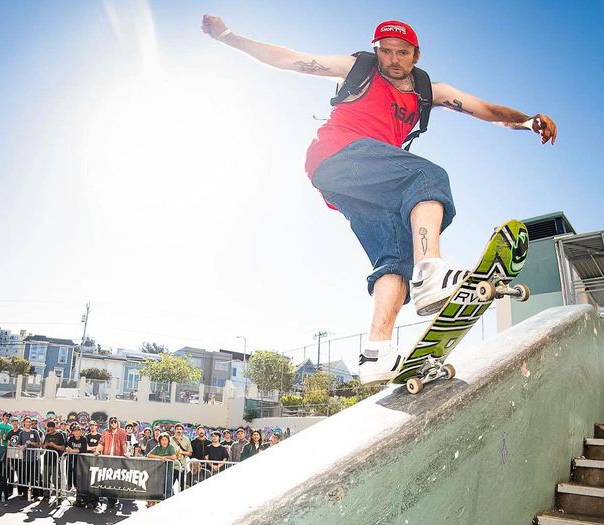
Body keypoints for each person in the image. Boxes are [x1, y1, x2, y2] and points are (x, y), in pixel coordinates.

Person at [202, 16, 557, 384]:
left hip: (356, 185)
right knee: (427, 177)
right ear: (377, 52)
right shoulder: (359, 68)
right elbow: (291, 59)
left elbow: (485, 110)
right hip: (336, 155)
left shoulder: (428, 91)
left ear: (416, 55)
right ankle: (430, 274)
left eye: (402, 53)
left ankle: (377, 352)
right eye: (385, 52)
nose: (393, 60)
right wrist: (229, 37)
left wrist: (527, 121)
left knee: (395, 256)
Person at [93, 417, 128, 511]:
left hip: (117, 460)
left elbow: (123, 444)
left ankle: (113, 499)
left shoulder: (121, 432)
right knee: (108, 480)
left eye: (115, 422)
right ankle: (110, 499)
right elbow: (101, 443)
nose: (113, 423)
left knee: (115, 480)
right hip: (107, 459)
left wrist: (126, 452)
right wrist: (97, 450)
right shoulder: (106, 432)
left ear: (117, 423)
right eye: (111, 422)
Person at [146, 432, 177, 505]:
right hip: (158, 472)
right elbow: (149, 455)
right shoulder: (157, 447)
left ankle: (169, 503)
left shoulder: (170, 447)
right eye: (162, 440)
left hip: (168, 471)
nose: (164, 441)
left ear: (168, 441)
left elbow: (174, 457)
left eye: (166, 440)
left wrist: (165, 457)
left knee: (168, 488)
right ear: (160, 441)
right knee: (157, 488)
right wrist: (160, 457)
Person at [41, 420, 66, 502]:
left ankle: (59, 495)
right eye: (49, 429)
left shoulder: (60, 435)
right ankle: (46, 495)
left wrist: (54, 445)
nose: (50, 430)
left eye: (51, 429)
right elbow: (43, 446)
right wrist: (45, 445)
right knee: (45, 478)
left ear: (55, 428)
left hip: (56, 460)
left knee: (56, 479)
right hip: (46, 459)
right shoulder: (47, 434)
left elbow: (63, 448)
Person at [65, 423, 88, 507]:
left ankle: (80, 497)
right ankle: (72, 490)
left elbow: (83, 449)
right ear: (73, 432)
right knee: (72, 476)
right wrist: (72, 450)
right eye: (75, 431)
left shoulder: (83, 439)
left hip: (81, 462)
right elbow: (67, 448)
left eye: (79, 431)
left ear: (81, 432)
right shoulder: (70, 439)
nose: (77, 432)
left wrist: (73, 451)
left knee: (80, 479)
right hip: (71, 460)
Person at [169, 423, 193, 491]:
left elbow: (190, 453)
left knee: (183, 486)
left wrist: (181, 452)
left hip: (182, 466)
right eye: (177, 429)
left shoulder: (186, 440)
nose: (178, 431)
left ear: (182, 430)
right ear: (174, 430)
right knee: (169, 485)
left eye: (180, 429)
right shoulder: (170, 439)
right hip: (172, 466)